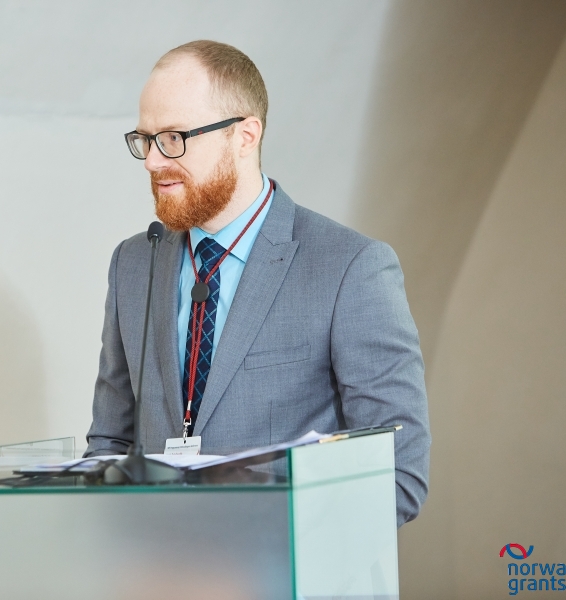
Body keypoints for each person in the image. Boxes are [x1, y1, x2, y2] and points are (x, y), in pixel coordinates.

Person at [84, 40, 430, 526]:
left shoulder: (351, 267)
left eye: (174, 138)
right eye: (145, 139)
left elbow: (396, 475)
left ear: (245, 136)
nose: (152, 161)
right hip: (155, 561)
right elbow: (109, 444)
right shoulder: (133, 263)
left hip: (282, 563)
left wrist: (246, 541)